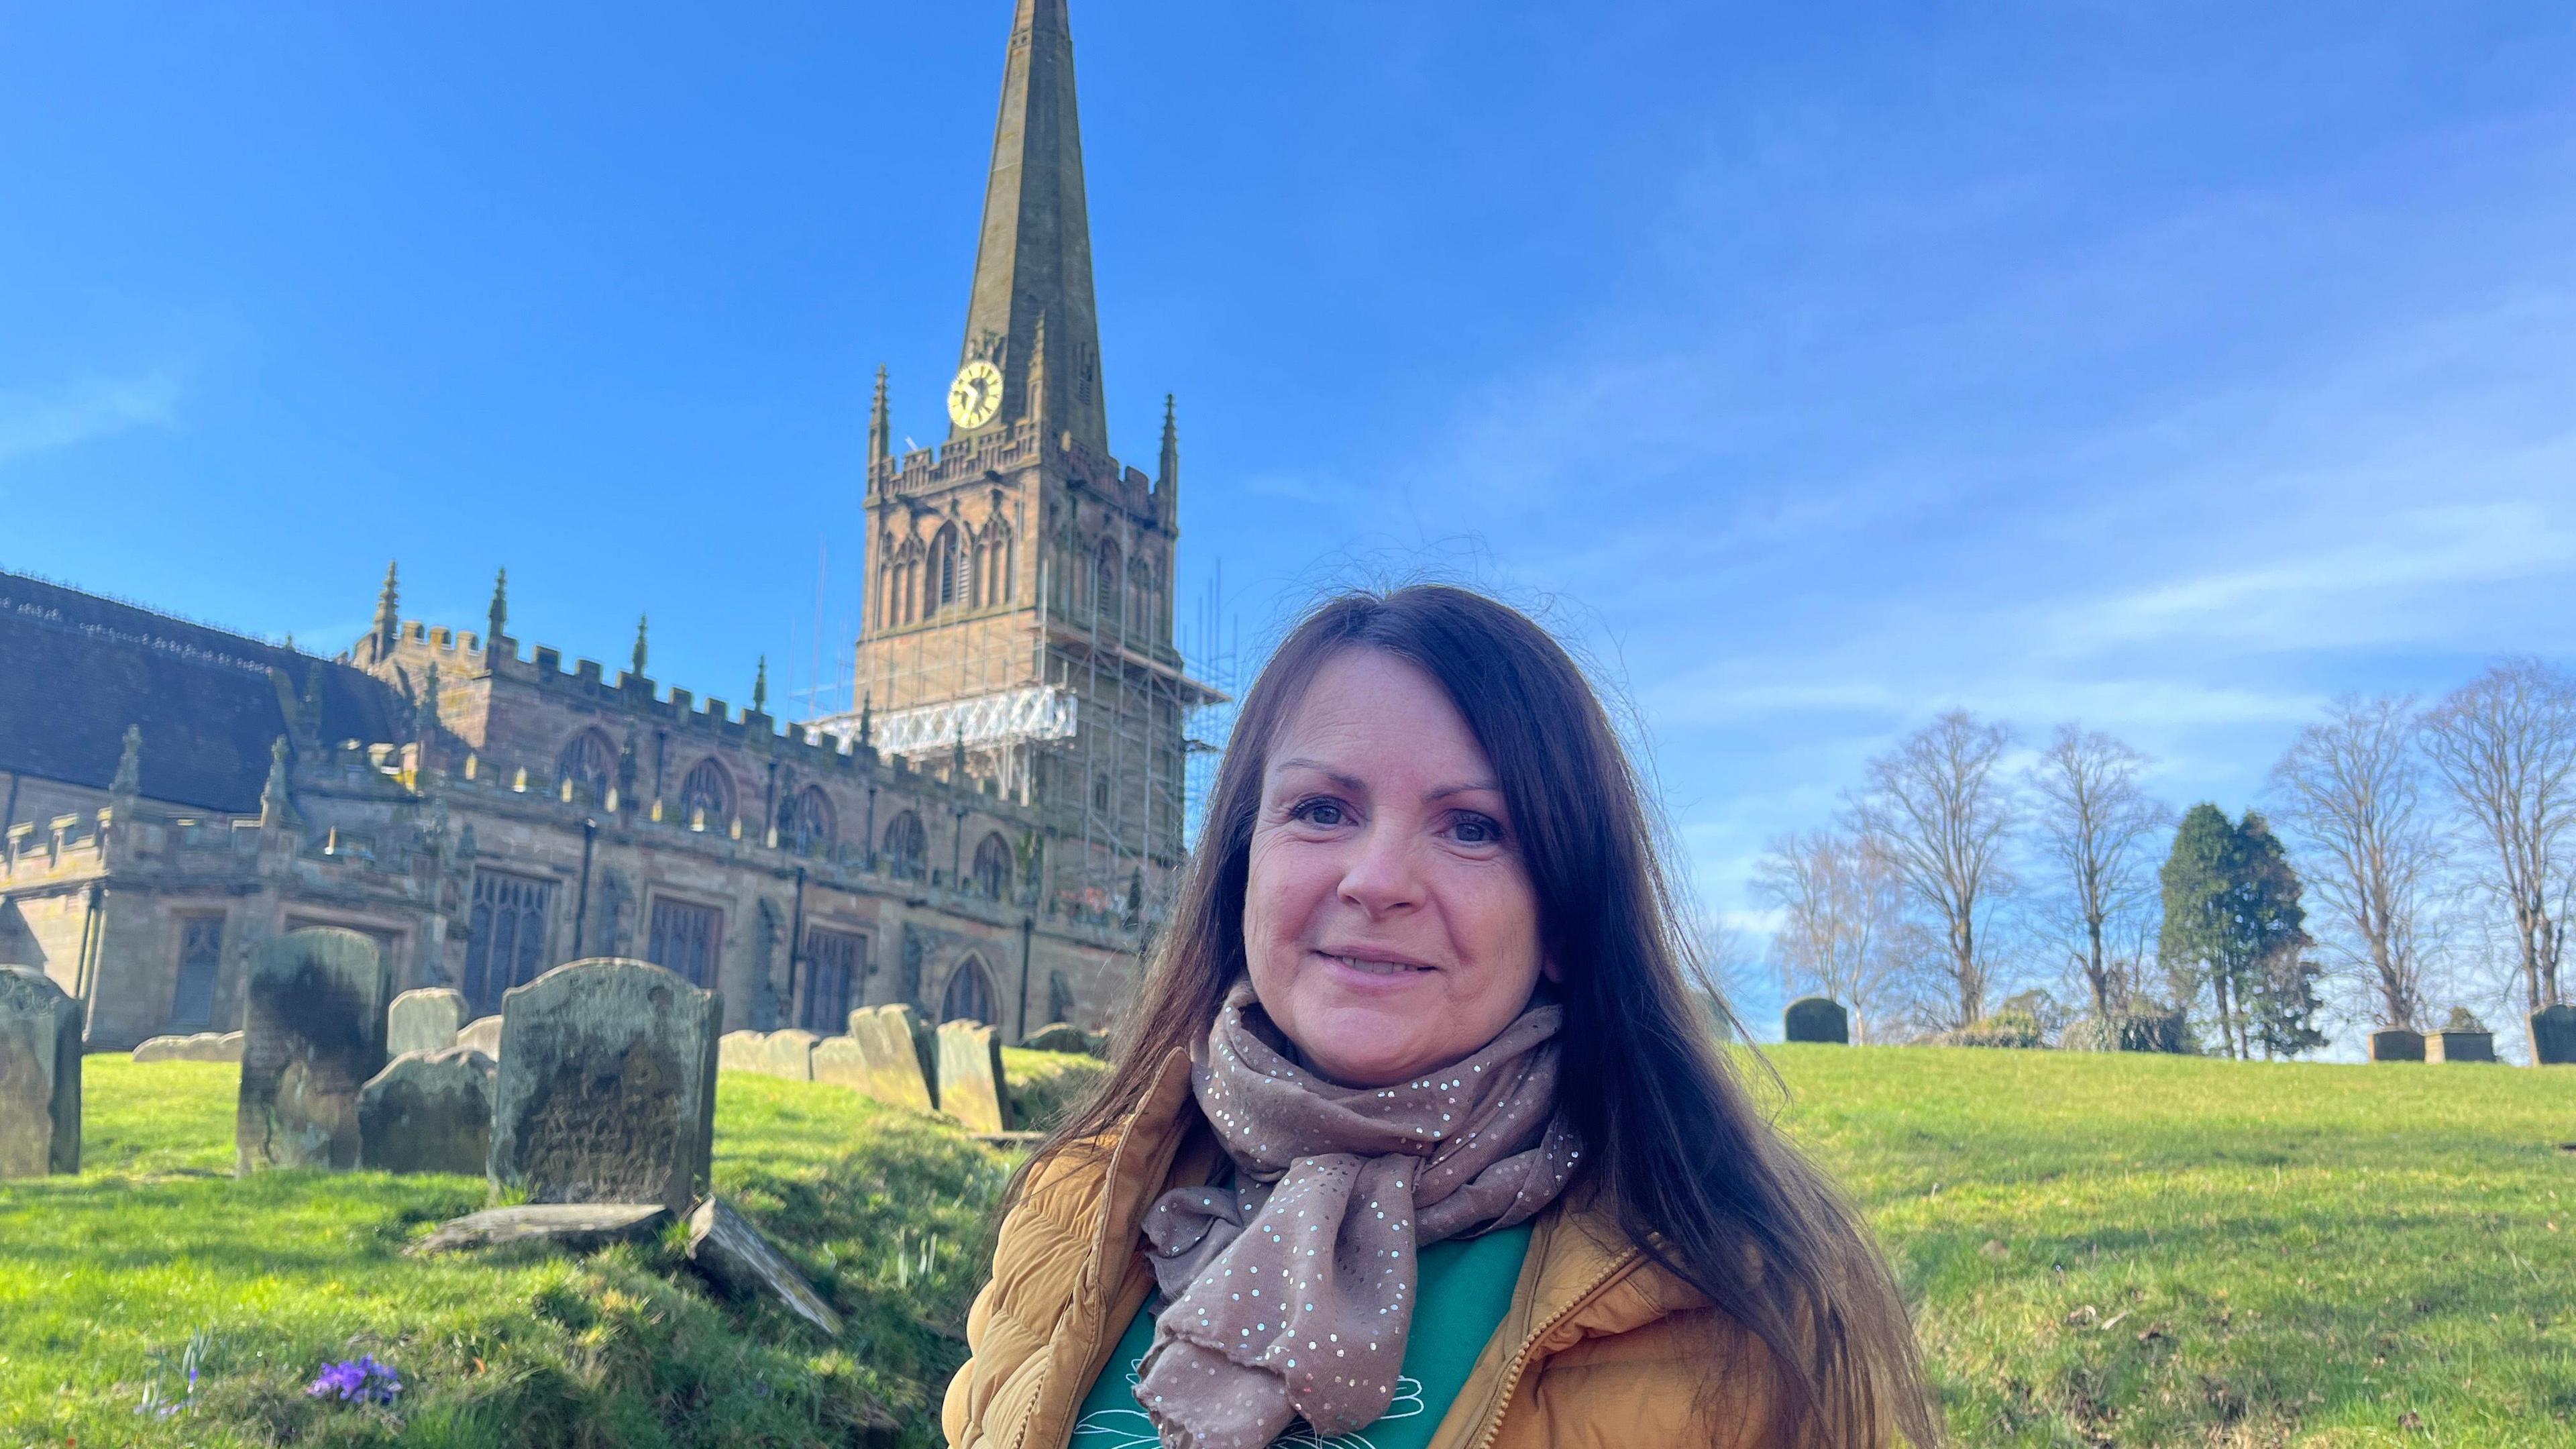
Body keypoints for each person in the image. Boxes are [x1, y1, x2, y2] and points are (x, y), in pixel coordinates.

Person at [945, 586, 1937, 1449]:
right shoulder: (1075, 1205)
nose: (1377, 881)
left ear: (1562, 914)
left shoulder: (1736, 1308)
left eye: (1473, 829)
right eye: (1323, 811)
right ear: (1244, 867)